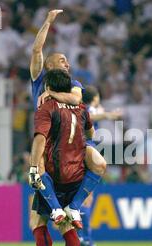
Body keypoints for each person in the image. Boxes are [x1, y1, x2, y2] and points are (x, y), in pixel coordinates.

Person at [30, 9, 106, 221]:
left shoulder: (74, 85)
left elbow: (75, 100)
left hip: (74, 141)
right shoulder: (39, 79)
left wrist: (51, 94)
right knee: (38, 165)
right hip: (50, 139)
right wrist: (48, 21)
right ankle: (56, 210)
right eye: (63, 60)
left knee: (100, 164)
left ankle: (73, 207)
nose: (68, 64)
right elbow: (37, 50)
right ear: (50, 65)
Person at [29, 69, 92, 246]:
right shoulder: (81, 108)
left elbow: (40, 138)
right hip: (76, 176)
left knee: (37, 222)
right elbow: (90, 135)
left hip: (53, 175)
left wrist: (34, 169)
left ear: (48, 88)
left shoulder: (47, 107)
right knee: (65, 225)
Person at [78, 85, 123, 246]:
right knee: (87, 197)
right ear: (95, 97)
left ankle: (84, 238)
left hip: (82, 150)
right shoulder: (87, 109)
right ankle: (85, 238)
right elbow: (91, 114)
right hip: (87, 151)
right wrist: (108, 114)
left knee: (86, 198)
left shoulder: (85, 107)